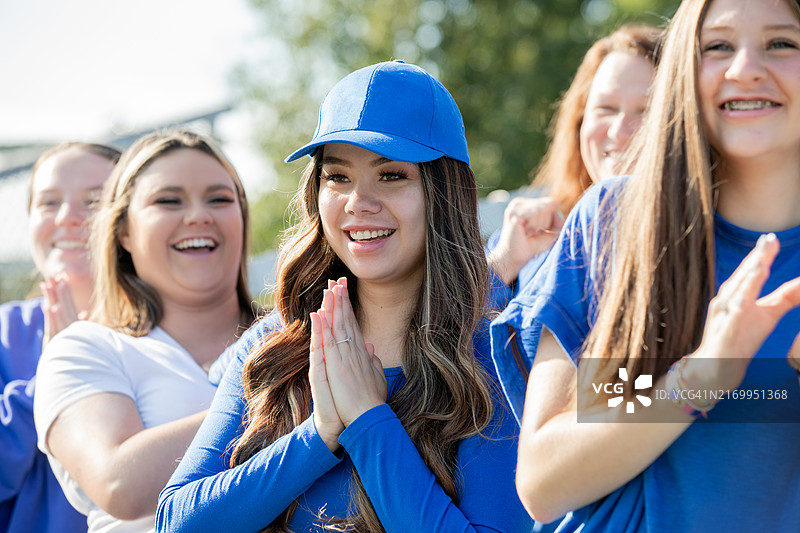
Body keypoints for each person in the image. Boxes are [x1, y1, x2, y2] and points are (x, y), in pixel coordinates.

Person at [156, 60, 533, 533]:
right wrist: (320, 434)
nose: (359, 201)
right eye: (338, 177)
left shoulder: (496, 355)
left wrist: (370, 420)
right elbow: (177, 522)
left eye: (391, 175)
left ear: (443, 191)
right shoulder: (273, 348)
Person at [491, 0, 800, 531]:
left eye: (782, 43)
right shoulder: (610, 221)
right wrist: (701, 378)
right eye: (718, 46)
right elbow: (541, 483)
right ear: (683, 66)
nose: (745, 67)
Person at [33, 130, 256, 532]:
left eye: (219, 199)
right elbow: (119, 482)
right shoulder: (84, 349)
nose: (198, 215)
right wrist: (285, 400)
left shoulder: (298, 332)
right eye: (168, 200)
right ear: (124, 233)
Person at [1, 142, 120, 533]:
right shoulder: (6, 333)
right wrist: (56, 375)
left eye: (94, 200)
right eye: (48, 203)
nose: (68, 217)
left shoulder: (170, 333)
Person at [487, 23, 661, 290]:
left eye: (646, 111)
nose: (620, 131)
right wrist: (504, 265)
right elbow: (446, 331)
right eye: (606, 108)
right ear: (580, 122)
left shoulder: (715, 241)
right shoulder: (524, 242)